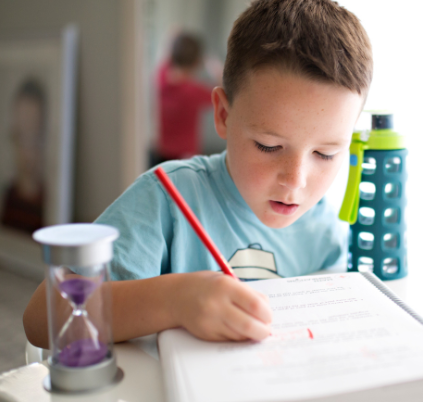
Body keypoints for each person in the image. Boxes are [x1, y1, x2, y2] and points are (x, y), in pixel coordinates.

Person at [24, 0, 372, 347]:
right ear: (222, 115)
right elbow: (41, 319)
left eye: (325, 153)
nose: (295, 181)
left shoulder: (325, 230)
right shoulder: (167, 200)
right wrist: (173, 300)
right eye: (268, 145)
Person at [151, 32, 221, 166]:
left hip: (159, 153)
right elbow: (224, 93)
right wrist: (216, 69)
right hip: (184, 158)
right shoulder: (194, 92)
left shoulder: (161, 77)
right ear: (197, 62)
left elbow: (171, 35)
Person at [0, 78, 46, 235]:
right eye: (20, 136)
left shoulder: (49, 204)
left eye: (33, 137)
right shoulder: (8, 198)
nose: (26, 150)